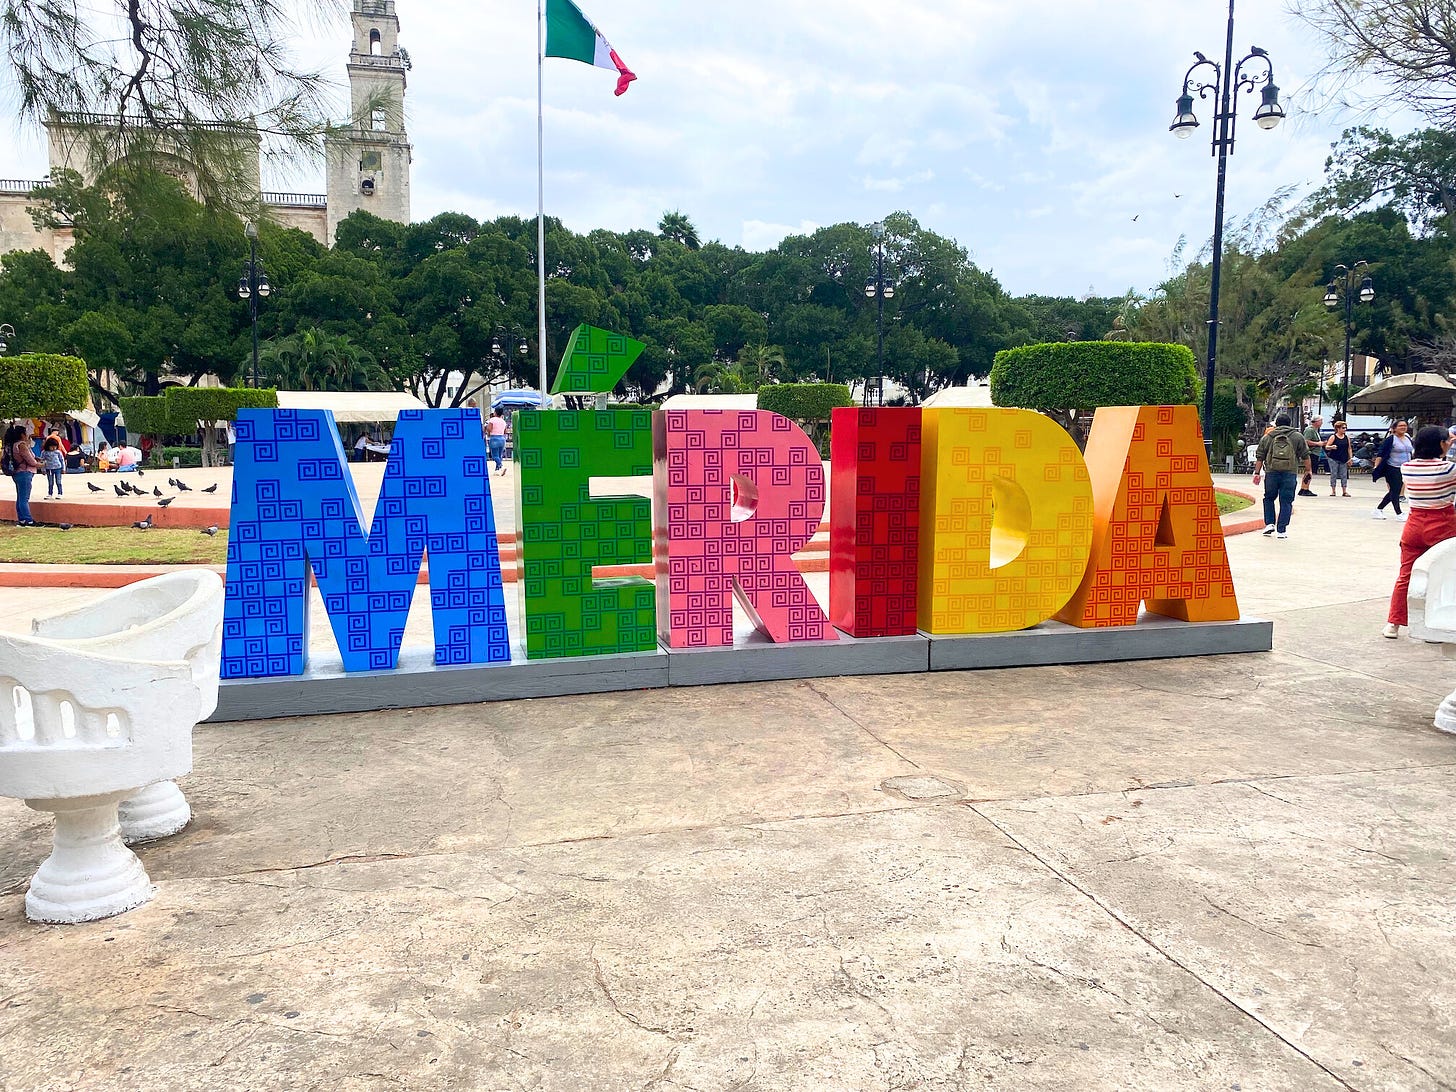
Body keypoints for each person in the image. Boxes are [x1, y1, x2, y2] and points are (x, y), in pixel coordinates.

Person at [1384, 425, 1456, 638]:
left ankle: (1393, 624)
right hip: (1442, 524)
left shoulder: (1407, 467)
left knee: (1406, 575)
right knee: (1445, 576)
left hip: (1414, 525)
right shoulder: (1448, 468)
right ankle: (1436, 624)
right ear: (1441, 444)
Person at [1251, 413, 1310, 539]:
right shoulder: (1297, 437)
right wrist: (1308, 471)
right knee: (1286, 501)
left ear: (1276, 424)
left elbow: (1260, 457)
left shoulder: (1268, 437)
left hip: (1271, 472)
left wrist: (1257, 473)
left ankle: (1270, 524)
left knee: (1268, 498)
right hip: (1290, 472)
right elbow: (1305, 455)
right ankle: (1282, 530)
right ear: (1290, 424)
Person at [1372, 419, 1413, 521]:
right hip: (1392, 467)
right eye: (1400, 426)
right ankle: (1399, 513)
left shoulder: (1407, 437)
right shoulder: (1391, 439)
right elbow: (1381, 453)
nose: (1403, 427)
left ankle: (1378, 509)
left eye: (1405, 425)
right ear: (1394, 428)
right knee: (1395, 490)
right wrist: (1376, 466)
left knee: (1395, 490)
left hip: (1405, 468)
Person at [4, 422, 39, 526]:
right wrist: (44, 465)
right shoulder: (21, 445)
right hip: (25, 472)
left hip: (17, 473)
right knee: (24, 499)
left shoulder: (11, 445)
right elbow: (31, 461)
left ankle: (22, 519)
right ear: (22, 434)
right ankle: (28, 520)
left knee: (20, 497)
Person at [1323, 420, 1353, 497]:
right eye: (1343, 428)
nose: (1344, 429)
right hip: (1334, 458)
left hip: (1343, 458)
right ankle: (1333, 490)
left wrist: (1350, 458)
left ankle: (1344, 491)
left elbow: (1349, 448)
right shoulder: (1333, 437)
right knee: (1334, 474)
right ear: (1338, 428)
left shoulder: (1347, 437)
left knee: (1344, 475)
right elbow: (1326, 446)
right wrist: (1331, 447)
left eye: (1345, 428)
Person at [1299, 416, 1323, 496]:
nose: (1322, 423)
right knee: (1309, 471)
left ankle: (1304, 487)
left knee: (1309, 471)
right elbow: (1306, 441)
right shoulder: (1310, 430)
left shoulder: (1315, 430)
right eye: (1320, 421)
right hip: (1311, 453)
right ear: (1316, 421)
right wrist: (1317, 443)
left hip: (1315, 453)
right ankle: (1305, 488)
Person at [486, 409, 508, 475]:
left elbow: (489, 428)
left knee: (494, 456)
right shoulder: (503, 421)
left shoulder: (492, 420)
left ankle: (501, 466)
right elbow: (505, 431)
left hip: (494, 438)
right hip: (502, 438)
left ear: (495, 413)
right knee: (499, 455)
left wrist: (488, 432)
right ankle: (497, 470)